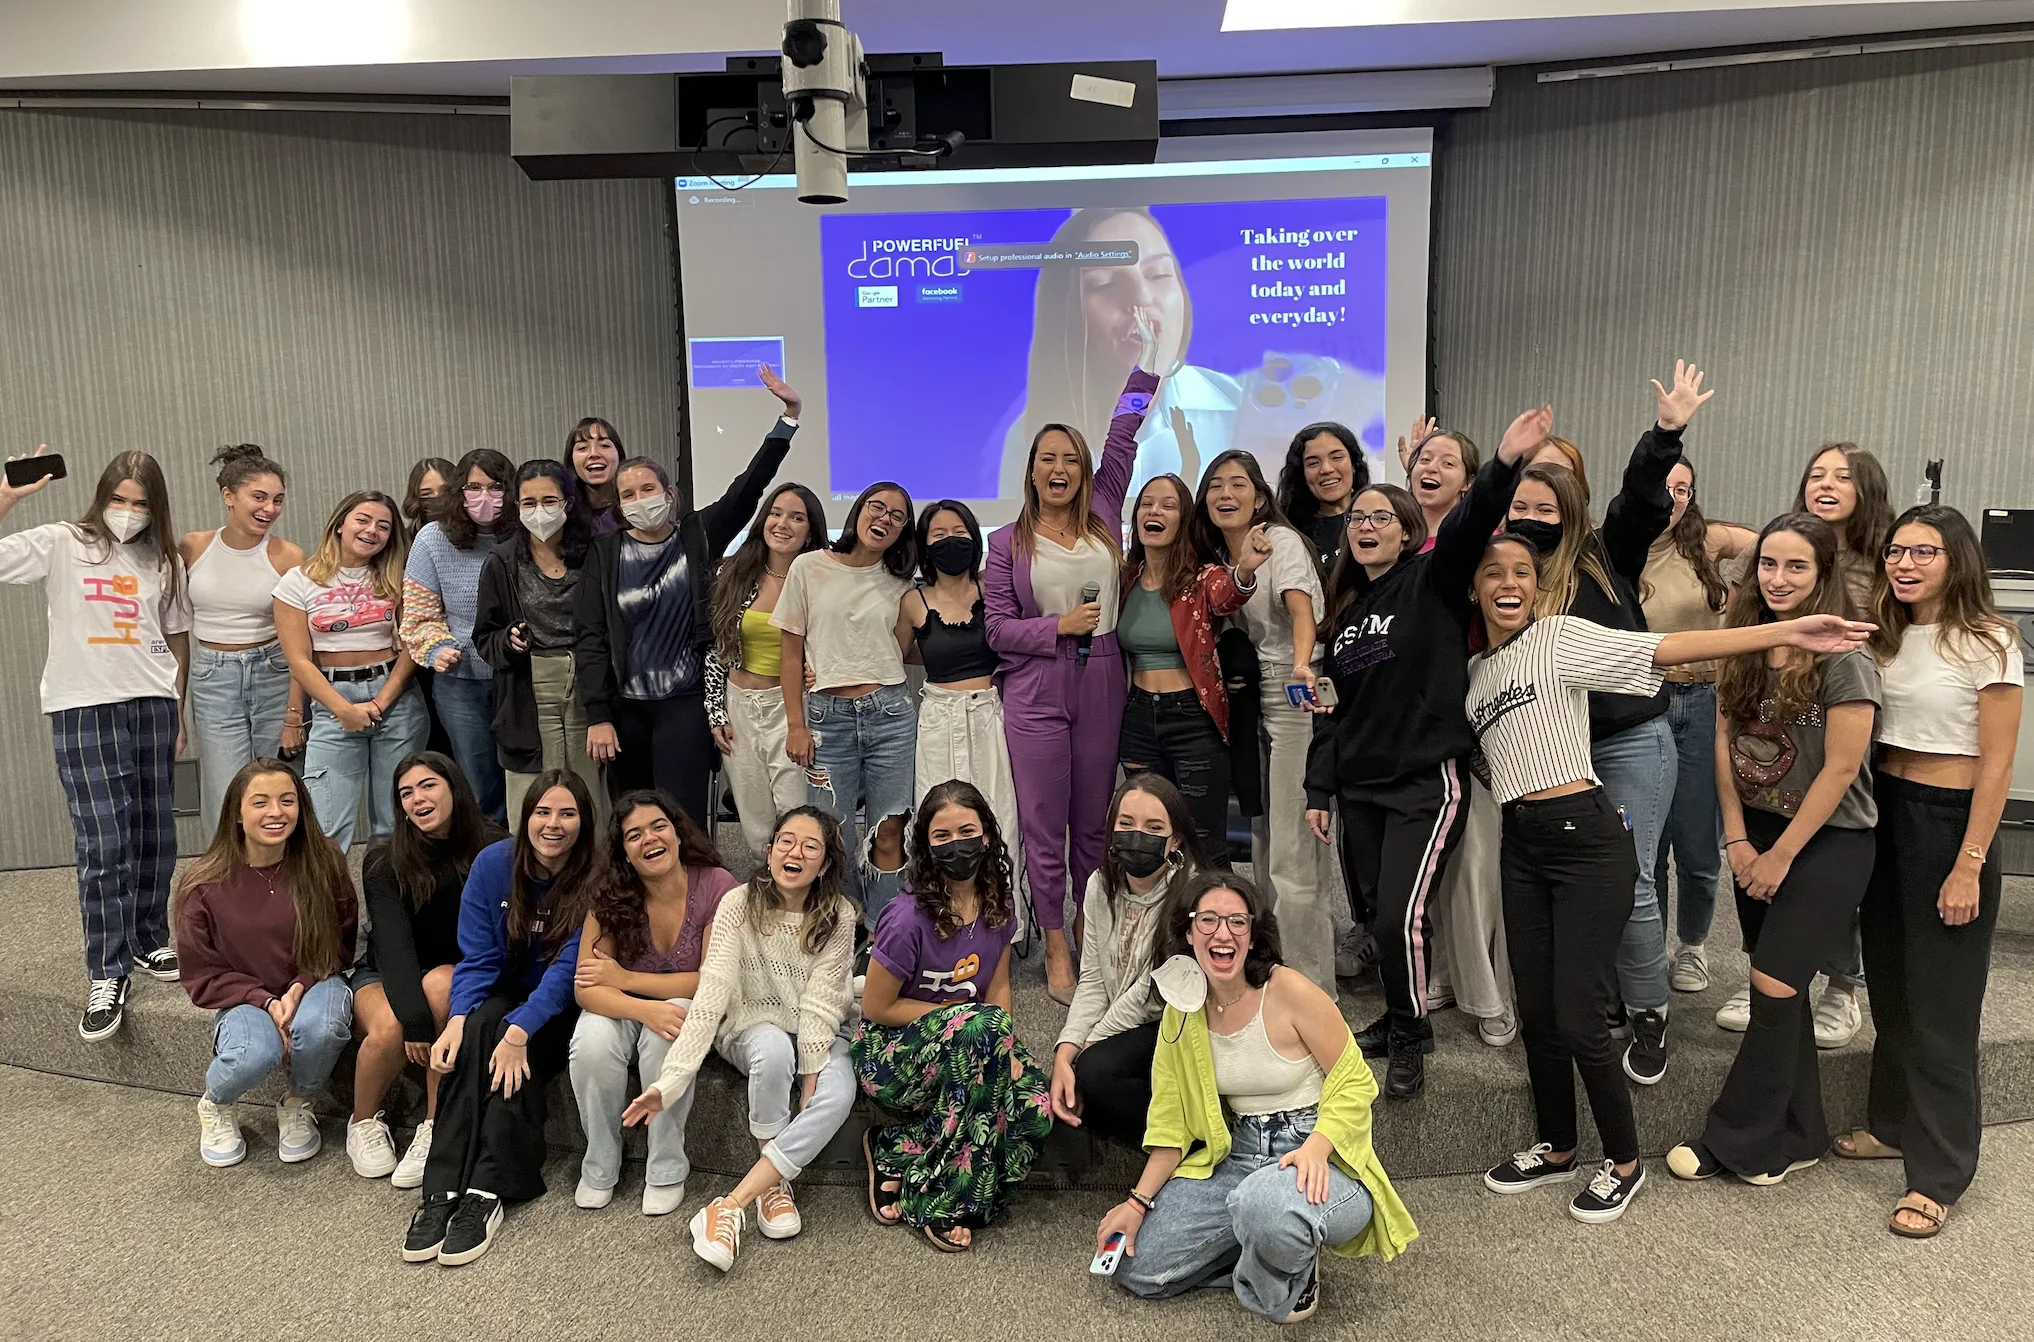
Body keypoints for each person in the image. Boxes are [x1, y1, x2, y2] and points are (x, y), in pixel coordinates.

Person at [1467, 526, 1872, 1224]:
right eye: (1492, 573)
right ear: (1472, 588)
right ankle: (1559, 1146)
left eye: (1522, 573)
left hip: (1586, 840)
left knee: (1580, 1013)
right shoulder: (1475, 675)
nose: (1508, 584)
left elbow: (1669, 649)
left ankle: (1622, 1164)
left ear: (1539, 587)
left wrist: (1789, 630)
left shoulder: (1558, 638)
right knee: (1537, 1010)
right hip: (1521, 843)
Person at [1306, 406, 1543, 1096]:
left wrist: (1502, 465)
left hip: (1422, 784)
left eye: (1382, 517)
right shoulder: (1345, 616)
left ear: (1409, 532)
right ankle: (1400, 1011)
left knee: (1397, 915)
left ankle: (1411, 1032)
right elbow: (1330, 711)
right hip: (1360, 786)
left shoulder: (1433, 581)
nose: (1366, 527)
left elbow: (1470, 526)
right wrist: (1320, 790)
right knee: (1375, 913)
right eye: (1357, 520)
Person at [1503, 362, 1716, 1087]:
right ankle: (1602, 1000)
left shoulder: (1603, 553)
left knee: (1631, 883)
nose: (1533, 516)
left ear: (1569, 507)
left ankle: (1649, 1015)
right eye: (1520, 504)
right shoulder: (1504, 576)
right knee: (1574, 889)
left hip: (1629, 739)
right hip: (1552, 756)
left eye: (1546, 504)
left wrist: (1666, 434)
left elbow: (1637, 503)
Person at [1667, 514, 1882, 1188]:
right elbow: (1724, 745)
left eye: (1796, 567)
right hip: (1754, 837)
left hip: (1829, 841)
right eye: (1768, 565)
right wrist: (1736, 837)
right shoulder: (1747, 643)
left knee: (1772, 984)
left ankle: (1737, 1138)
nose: (1778, 578)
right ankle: (1803, 1133)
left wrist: (1781, 856)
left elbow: (1841, 771)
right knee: (1780, 988)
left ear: (1822, 576)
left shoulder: (1846, 658)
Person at [1096, 872, 1416, 1323]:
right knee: (1135, 1267)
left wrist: (1317, 1148)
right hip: (1240, 1152)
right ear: (1188, 933)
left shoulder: (1288, 989)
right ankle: (1272, 1246)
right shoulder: (1182, 1010)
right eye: (1207, 920)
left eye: (1237, 922)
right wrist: (1136, 1203)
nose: (1222, 933)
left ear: (1253, 934)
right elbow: (1170, 1124)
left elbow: (1356, 1081)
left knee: (1265, 1207)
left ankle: (1286, 1256)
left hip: (1317, 1150)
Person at [1839, 507, 2022, 1237]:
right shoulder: (1881, 637)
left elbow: (1999, 762)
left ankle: (1940, 1173)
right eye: (1896, 550)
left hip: (1951, 822)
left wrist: (1969, 862)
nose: (1905, 563)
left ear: (1958, 561)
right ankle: (1891, 1125)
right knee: (1892, 988)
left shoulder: (1989, 641)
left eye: (1924, 552)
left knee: (1942, 1008)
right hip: (1883, 809)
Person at [988, 309, 1160, 998]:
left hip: (1104, 680)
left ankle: (1092, 933)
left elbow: (1126, 429)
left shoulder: (1106, 511)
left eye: (1071, 460)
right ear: (1030, 472)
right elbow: (997, 629)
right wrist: (1055, 628)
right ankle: (1055, 942)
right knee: (1042, 825)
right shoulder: (1005, 543)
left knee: (1094, 822)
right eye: (1047, 459)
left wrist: (1145, 362)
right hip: (1034, 687)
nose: (1060, 468)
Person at [0, 449, 190, 1039]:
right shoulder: (62, 542)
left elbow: (176, 634)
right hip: (83, 705)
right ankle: (105, 970)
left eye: (139, 502)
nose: (128, 512)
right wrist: (6, 496)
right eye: (118, 499)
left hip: (154, 703)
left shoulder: (164, 557)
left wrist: (177, 706)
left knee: (157, 829)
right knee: (103, 839)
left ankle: (147, 938)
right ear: (101, 495)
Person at [621, 805, 858, 1270]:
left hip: (818, 1029)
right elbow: (710, 996)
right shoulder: (737, 903)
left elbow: (822, 1003)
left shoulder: (840, 914)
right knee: (771, 1050)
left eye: (811, 847)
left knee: (840, 1092)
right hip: (747, 1025)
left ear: (825, 864)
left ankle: (731, 1204)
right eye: (786, 841)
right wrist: (669, 1082)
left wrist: (812, 1068)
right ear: (769, 852)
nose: (796, 852)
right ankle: (773, 1188)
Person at [579, 365, 802, 825]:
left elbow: (748, 487)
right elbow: (591, 638)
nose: (639, 499)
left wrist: (788, 419)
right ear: (619, 506)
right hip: (624, 711)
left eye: (647, 489)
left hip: (683, 704)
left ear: (669, 494)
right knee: (632, 823)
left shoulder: (698, 535)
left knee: (683, 822)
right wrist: (597, 713)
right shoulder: (603, 554)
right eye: (628, 494)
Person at [402, 770, 600, 1267]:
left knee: (517, 1050)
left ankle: (487, 1190)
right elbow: (479, 958)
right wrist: (455, 1019)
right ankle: (442, 1187)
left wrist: (518, 1032)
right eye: (543, 812)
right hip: (505, 988)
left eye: (567, 813)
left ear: (584, 821)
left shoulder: (596, 874)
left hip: (565, 1003)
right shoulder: (494, 864)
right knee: (473, 1034)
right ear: (525, 816)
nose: (553, 824)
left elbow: (567, 970)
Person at [854, 781, 1052, 1251]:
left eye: (966, 831)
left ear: (986, 836)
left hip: (975, 1040)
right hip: (893, 1054)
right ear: (925, 845)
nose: (956, 844)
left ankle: (896, 1150)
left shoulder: (999, 901)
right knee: (979, 1027)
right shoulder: (905, 917)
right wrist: (962, 1018)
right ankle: (945, 1200)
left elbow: (998, 986)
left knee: (1036, 1110)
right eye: (941, 837)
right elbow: (876, 1007)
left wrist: (1000, 1046)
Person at [1761, 441, 1893, 1045]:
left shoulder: (1885, 563)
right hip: (1790, 723)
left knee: (1838, 851)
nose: (1827, 484)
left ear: (1866, 489)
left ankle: (1843, 984)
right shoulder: (1788, 551)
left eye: (1842, 477)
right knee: (1783, 847)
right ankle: (1779, 969)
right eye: (1816, 474)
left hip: (1860, 715)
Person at [1197, 448, 1339, 993]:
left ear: (1260, 498)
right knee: (1262, 837)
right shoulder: (1220, 557)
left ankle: (1312, 990)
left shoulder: (1278, 542)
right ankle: (1277, 967)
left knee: (1295, 851)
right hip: (1252, 695)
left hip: (1292, 687)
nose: (1225, 494)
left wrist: (1302, 665)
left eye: (1238, 484)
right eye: (1215, 485)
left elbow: (1302, 612)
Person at [175, 759, 356, 1167]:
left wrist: (298, 986)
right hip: (241, 994)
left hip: (315, 979)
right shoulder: (203, 882)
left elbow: (342, 941)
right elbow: (201, 973)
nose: (276, 812)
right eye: (260, 802)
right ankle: (216, 1105)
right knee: (255, 1053)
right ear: (237, 813)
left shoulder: (324, 858)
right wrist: (265, 1001)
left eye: (287, 800)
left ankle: (298, 1101)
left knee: (323, 1027)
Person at [570, 789, 740, 1215]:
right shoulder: (607, 892)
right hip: (627, 1003)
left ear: (678, 834)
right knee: (591, 1040)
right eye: (634, 835)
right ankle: (600, 1162)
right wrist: (642, 1008)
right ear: (624, 852)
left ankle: (666, 1166)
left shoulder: (716, 883)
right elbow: (586, 987)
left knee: (668, 1035)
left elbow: (712, 980)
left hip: (688, 998)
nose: (649, 839)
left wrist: (626, 979)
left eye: (658, 826)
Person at [1002, 207, 1243, 502]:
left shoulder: (1237, 409)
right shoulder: (1030, 437)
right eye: (1106, 284)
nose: (1142, 298)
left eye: (1159, 274)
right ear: (1066, 313)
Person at [346, 752, 504, 1186]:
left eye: (428, 785)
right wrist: (416, 1022)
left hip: (458, 975)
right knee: (392, 1028)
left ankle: (434, 1125)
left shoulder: (495, 847)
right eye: (406, 793)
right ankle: (362, 1123)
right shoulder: (384, 860)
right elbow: (394, 947)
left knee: (443, 983)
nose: (418, 799)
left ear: (453, 786)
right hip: (385, 972)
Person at [1639, 458, 1758, 996]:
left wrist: (1739, 595)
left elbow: (1772, 546)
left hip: (1706, 700)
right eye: (1665, 486)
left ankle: (1692, 947)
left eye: (1683, 488)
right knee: (1649, 840)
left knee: (1697, 841)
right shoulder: (1616, 544)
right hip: (1645, 699)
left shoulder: (1705, 541)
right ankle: (1650, 947)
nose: (1673, 497)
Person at [773, 479, 917, 921]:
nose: (884, 519)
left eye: (897, 516)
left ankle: (885, 929)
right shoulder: (810, 567)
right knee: (829, 833)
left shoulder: (901, 583)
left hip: (889, 715)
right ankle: (842, 924)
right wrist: (796, 724)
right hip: (825, 719)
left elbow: (900, 649)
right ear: (857, 511)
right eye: (877, 507)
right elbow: (791, 650)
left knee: (888, 829)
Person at [1118, 472, 1266, 865]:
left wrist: (1246, 569)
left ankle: (1216, 924)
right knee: (1146, 840)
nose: (1155, 510)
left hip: (1192, 719)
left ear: (1184, 519)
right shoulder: (1124, 579)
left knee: (1204, 843)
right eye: (1147, 503)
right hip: (1137, 720)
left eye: (1168, 505)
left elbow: (1228, 594)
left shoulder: (1202, 578)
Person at [1050, 774, 1206, 1147]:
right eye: (1126, 824)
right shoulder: (1099, 885)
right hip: (1126, 1026)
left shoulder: (1192, 897)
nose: (1137, 836)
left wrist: (1086, 1050)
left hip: (1179, 1024)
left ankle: (1188, 1142)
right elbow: (1092, 980)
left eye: (1154, 828)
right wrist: (1065, 1048)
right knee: (1060, 1087)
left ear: (1176, 840)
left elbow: (1148, 997)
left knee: (1093, 1072)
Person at [275, 491, 429, 852]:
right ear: (340, 523)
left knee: (395, 824)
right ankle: (328, 910)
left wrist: (381, 701)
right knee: (326, 827)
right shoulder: (297, 581)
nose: (372, 530)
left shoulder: (400, 577)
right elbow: (298, 661)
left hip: (396, 700)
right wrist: (343, 710)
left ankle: (390, 907)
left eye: (383, 526)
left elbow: (414, 644)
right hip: (332, 704)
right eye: (363, 519)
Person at [902, 499, 1025, 924]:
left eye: (959, 532)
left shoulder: (995, 588)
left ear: (975, 538)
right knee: (937, 819)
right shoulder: (913, 602)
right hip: (938, 718)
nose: (949, 541)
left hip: (991, 714)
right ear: (923, 544)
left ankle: (1003, 925)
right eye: (937, 535)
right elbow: (895, 656)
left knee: (1000, 819)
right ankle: (942, 923)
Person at [180, 444, 306, 829]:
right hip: (212, 678)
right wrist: (176, 709)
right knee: (226, 792)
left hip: (274, 672)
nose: (269, 509)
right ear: (228, 496)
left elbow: (301, 645)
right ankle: (229, 883)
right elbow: (173, 629)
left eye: (278, 500)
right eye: (259, 497)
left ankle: (287, 882)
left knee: (281, 788)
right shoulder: (193, 546)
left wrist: (294, 714)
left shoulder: (288, 556)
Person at [705, 482, 828, 862]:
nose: (782, 524)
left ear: (811, 530)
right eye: (775, 513)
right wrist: (716, 712)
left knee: (795, 814)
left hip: (792, 709)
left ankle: (807, 902)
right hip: (739, 706)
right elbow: (715, 648)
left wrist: (817, 670)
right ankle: (768, 899)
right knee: (756, 823)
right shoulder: (733, 571)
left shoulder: (821, 580)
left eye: (796, 517)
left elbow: (838, 642)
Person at [473, 460, 601, 820]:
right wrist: (508, 640)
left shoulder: (594, 552)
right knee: (534, 799)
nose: (539, 511)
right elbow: (484, 637)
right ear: (516, 507)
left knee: (588, 793)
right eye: (528, 503)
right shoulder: (502, 559)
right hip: (527, 686)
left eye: (548, 500)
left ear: (568, 503)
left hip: (586, 680)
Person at [403, 448, 514, 822]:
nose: (485, 497)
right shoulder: (433, 539)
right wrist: (439, 648)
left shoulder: (529, 534)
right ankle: (486, 866)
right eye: (474, 487)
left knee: (526, 782)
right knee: (479, 787)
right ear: (458, 491)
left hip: (519, 678)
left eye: (496, 487)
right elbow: (418, 616)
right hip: (461, 683)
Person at [1276, 421, 1372, 571]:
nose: (1326, 469)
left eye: (1337, 457)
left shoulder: (1377, 520)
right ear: (1302, 474)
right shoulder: (1288, 531)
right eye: (1313, 463)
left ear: (1354, 465)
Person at [1398, 419, 1480, 552]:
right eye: (1425, 459)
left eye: (1448, 463)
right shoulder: (1397, 540)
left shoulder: (1478, 539)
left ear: (1468, 482)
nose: (1431, 467)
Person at [566, 417, 625, 534]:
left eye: (604, 446)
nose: (594, 454)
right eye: (582, 448)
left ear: (619, 454)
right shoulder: (564, 512)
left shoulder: (635, 505)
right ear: (571, 459)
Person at [402, 458, 455, 534]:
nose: (437, 497)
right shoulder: (405, 541)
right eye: (427, 494)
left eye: (444, 491)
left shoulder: (473, 537)